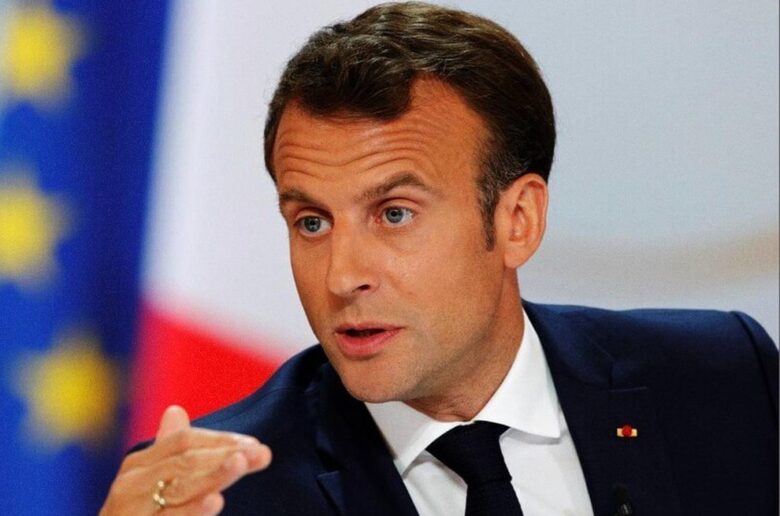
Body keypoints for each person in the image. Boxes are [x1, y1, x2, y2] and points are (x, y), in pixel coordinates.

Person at [100, 2, 778, 515]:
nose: (341, 276)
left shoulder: (723, 379)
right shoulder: (217, 494)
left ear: (517, 221)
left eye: (394, 213)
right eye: (312, 222)